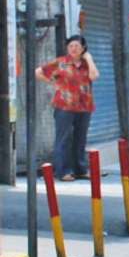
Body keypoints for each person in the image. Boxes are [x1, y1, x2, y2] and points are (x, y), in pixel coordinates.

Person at [36, 35, 99, 182]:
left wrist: (89, 59)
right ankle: (62, 171)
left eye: (77, 46)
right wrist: (52, 83)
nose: (74, 49)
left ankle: (80, 170)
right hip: (64, 106)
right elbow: (38, 72)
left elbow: (94, 76)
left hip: (84, 106)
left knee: (80, 138)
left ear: (83, 48)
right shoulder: (61, 62)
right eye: (71, 46)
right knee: (63, 139)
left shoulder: (86, 64)